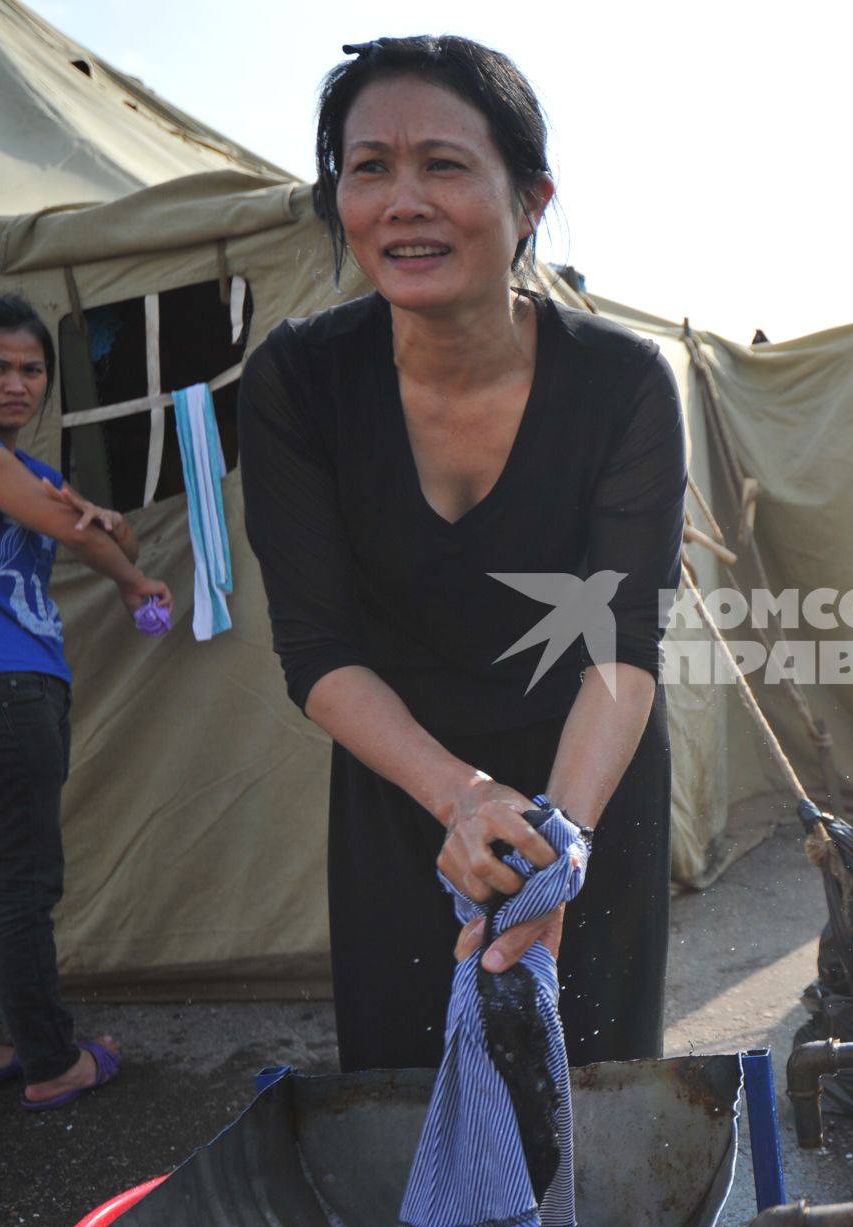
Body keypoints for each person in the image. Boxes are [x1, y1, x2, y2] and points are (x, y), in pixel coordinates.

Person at [239, 36, 684, 1072]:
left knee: (596, 1100)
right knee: (403, 1096)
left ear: (530, 199)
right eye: (369, 168)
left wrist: (554, 848)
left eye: (443, 164)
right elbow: (317, 645)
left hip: (588, 780)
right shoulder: (300, 381)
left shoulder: (621, 384)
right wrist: (462, 797)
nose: (403, 201)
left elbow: (621, 649)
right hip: (407, 786)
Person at [0, 290, 172, 1109]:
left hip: (5, 686)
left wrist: (111, 534)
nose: (18, 385)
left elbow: (108, 528)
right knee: (24, 882)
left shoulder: (26, 468)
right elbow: (77, 533)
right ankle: (52, 1058)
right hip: (0, 687)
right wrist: (131, 578)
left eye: (32, 370)